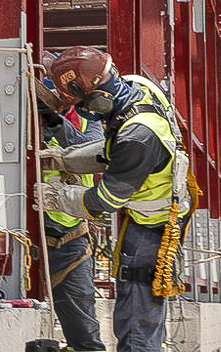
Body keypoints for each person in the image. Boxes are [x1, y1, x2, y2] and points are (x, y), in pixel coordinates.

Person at [39, 46, 194, 352]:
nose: (86, 113)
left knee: (136, 321)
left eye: (84, 104)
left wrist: (59, 198)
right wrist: (64, 159)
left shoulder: (138, 135)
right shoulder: (137, 88)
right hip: (150, 218)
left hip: (153, 227)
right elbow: (110, 151)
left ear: (95, 95)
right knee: (138, 315)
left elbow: (106, 199)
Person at [39, 98, 106, 352]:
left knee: (84, 332)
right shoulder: (25, 123)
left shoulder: (90, 124)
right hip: (31, 238)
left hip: (71, 241)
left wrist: (56, 124)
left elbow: (88, 150)